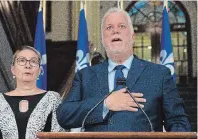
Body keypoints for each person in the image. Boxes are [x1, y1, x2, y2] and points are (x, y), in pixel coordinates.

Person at [57, 7, 191, 132]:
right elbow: (64, 115)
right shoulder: (85, 76)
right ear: (103, 39)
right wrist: (105, 104)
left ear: (133, 37)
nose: (115, 31)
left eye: (121, 26)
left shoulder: (159, 74)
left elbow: (178, 121)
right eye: (109, 27)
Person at [0, 46, 64, 139]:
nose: (28, 65)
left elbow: (59, 135)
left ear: (39, 71)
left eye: (33, 61)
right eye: (22, 61)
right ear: (13, 69)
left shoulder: (52, 98)